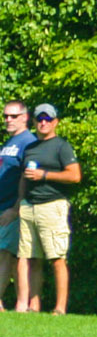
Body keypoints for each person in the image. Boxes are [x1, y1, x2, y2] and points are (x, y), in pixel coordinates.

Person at [16, 103, 81, 314]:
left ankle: (60, 308)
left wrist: (44, 175)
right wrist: (20, 202)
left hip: (52, 206)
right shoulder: (30, 148)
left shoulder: (62, 146)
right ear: (34, 122)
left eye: (48, 119)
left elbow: (74, 175)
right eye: (39, 119)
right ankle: (33, 306)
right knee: (31, 258)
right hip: (29, 207)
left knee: (56, 258)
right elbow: (23, 179)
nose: (43, 123)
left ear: (55, 122)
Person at [0, 99, 32, 306]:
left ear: (25, 117)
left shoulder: (28, 142)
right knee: (9, 258)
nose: (8, 120)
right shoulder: (8, 143)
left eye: (13, 116)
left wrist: (16, 208)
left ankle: (21, 303)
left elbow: (27, 177)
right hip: (2, 206)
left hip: (12, 208)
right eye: (5, 116)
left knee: (4, 254)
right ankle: (18, 304)